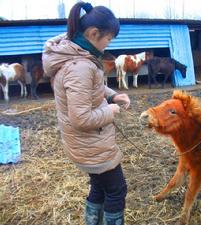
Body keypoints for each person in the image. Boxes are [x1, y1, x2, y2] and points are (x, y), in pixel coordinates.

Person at [42, 2, 130, 225]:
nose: (108, 44)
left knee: (100, 187)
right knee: (117, 190)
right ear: (93, 33)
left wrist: (111, 96)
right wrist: (109, 111)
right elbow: (80, 118)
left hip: (86, 144)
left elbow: (89, 88)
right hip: (92, 145)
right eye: (108, 39)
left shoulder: (77, 55)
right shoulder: (80, 65)